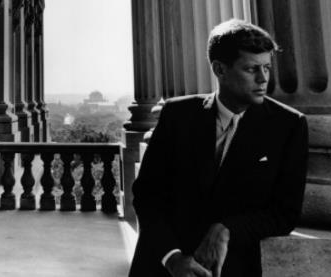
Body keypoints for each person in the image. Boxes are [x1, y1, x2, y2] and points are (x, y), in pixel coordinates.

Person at [128, 19, 308, 277]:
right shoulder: (177, 114)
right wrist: (171, 257)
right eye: (251, 69)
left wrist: (227, 228)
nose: (263, 79)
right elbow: (147, 195)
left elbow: (285, 213)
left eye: (267, 67)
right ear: (220, 69)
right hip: (162, 267)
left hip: (229, 268)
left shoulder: (289, 125)